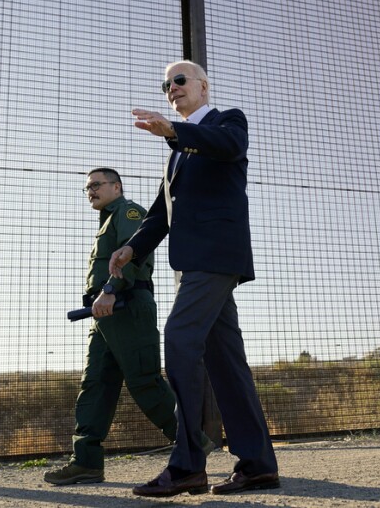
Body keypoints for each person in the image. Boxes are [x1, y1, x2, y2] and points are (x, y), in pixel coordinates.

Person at [109, 60, 279, 497]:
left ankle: (187, 465)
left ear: (203, 86)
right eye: (166, 84)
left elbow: (228, 145)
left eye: (179, 80)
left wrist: (173, 131)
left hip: (216, 257)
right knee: (227, 362)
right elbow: (160, 213)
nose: (172, 88)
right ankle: (258, 465)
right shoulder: (177, 154)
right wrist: (132, 249)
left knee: (180, 339)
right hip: (194, 263)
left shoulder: (226, 122)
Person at [44, 168, 178, 486]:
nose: (90, 191)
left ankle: (193, 442)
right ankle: (86, 462)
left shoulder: (128, 212)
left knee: (144, 380)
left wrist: (110, 289)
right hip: (104, 311)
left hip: (125, 304)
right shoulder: (106, 220)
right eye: (87, 188)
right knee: (95, 384)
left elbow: (131, 254)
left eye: (96, 184)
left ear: (116, 187)